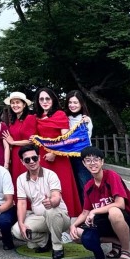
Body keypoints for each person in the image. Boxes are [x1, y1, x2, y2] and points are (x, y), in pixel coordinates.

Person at [69, 147, 130, 259]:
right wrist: (73, 225)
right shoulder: (88, 186)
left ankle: (126, 251)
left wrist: (94, 211)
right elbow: (85, 212)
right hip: (107, 225)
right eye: (88, 160)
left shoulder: (111, 176)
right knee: (76, 234)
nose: (92, 163)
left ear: (102, 162)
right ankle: (116, 241)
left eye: (96, 159)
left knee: (114, 211)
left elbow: (120, 204)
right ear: (83, 163)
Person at [11, 144, 71, 259]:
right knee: (17, 230)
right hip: (39, 218)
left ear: (39, 158)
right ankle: (45, 241)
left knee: (51, 211)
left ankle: (57, 246)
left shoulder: (51, 175)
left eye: (34, 158)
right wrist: (21, 223)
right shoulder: (21, 179)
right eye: (27, 160)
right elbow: (22, 203)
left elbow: (56, 197)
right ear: (22, 162)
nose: (32, 162)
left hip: (59, 217)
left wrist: (52, 202)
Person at [33, 88, 82, 217]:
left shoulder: (60, 114)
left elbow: (66, 139)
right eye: (41, 99)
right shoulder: (37, 117)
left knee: (62, 186)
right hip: (43, 157)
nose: (44, 101)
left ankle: (67, 218)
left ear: (53, 99)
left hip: (59, 157)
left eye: (47, 98)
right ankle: (49, 218)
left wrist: (54, 153)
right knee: (45, 187)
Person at [2, 91, 36, 186]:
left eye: (18, 102)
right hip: (14, 155)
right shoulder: (13, 121)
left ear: (24, 105)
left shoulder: (30, 118)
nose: (15, 105)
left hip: (26, 155)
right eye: (13, 103)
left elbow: (31, 141)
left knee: (27, 182)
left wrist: (13, 142)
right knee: (17, 182)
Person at [65, 90, 93, 204]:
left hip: (82, 156)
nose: (72, 105)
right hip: (67, 156)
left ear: (81, 103)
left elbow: (84, 139)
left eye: (75, 102)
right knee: (73, 184)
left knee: (85, 183)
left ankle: (89, 209)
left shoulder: (85, 119)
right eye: (70, 102)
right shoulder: (65, 118)